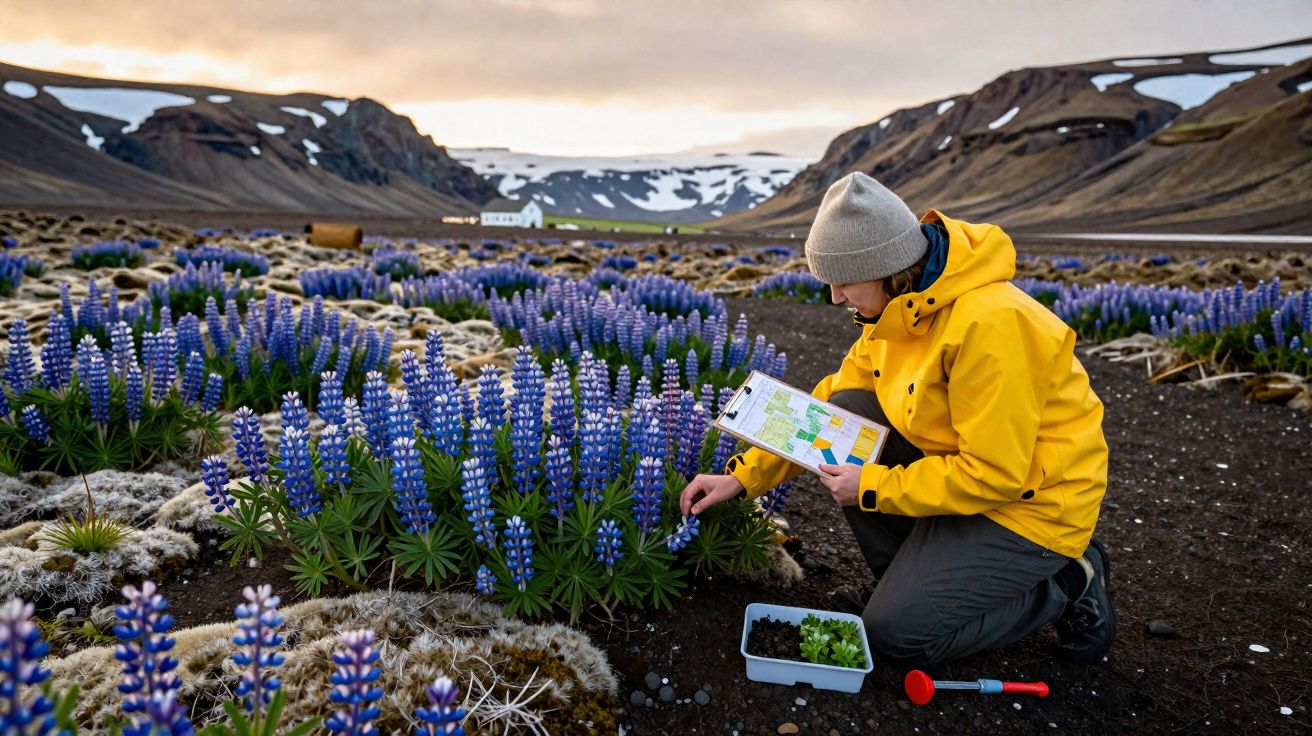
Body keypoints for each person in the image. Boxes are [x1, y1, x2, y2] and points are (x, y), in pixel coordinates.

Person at [679, 172, 1115, 665]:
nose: (835, 298)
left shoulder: (994, 326)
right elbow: (827, 410)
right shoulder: (898, 310)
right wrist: (741, 478)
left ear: (885, 267)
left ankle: (1066, 583)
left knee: (893, 637)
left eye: (843, 281)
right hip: (959, 475)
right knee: (850, 406)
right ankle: (910, 585)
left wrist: (873, 486)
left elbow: (996, 474)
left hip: (1030, 505)